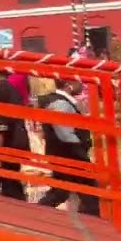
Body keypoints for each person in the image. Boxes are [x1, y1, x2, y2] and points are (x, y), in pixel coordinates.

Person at [35, 78, 98, 215]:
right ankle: (95, 222)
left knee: (61, 191)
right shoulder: (61, 104)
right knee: (89, 190)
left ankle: (36, 212)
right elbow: (65, 133)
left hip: (62, 153)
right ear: (69, 85)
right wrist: (80, 151)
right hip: (69, 154)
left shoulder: (62, 102)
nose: (82, 85)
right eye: (79, 82)